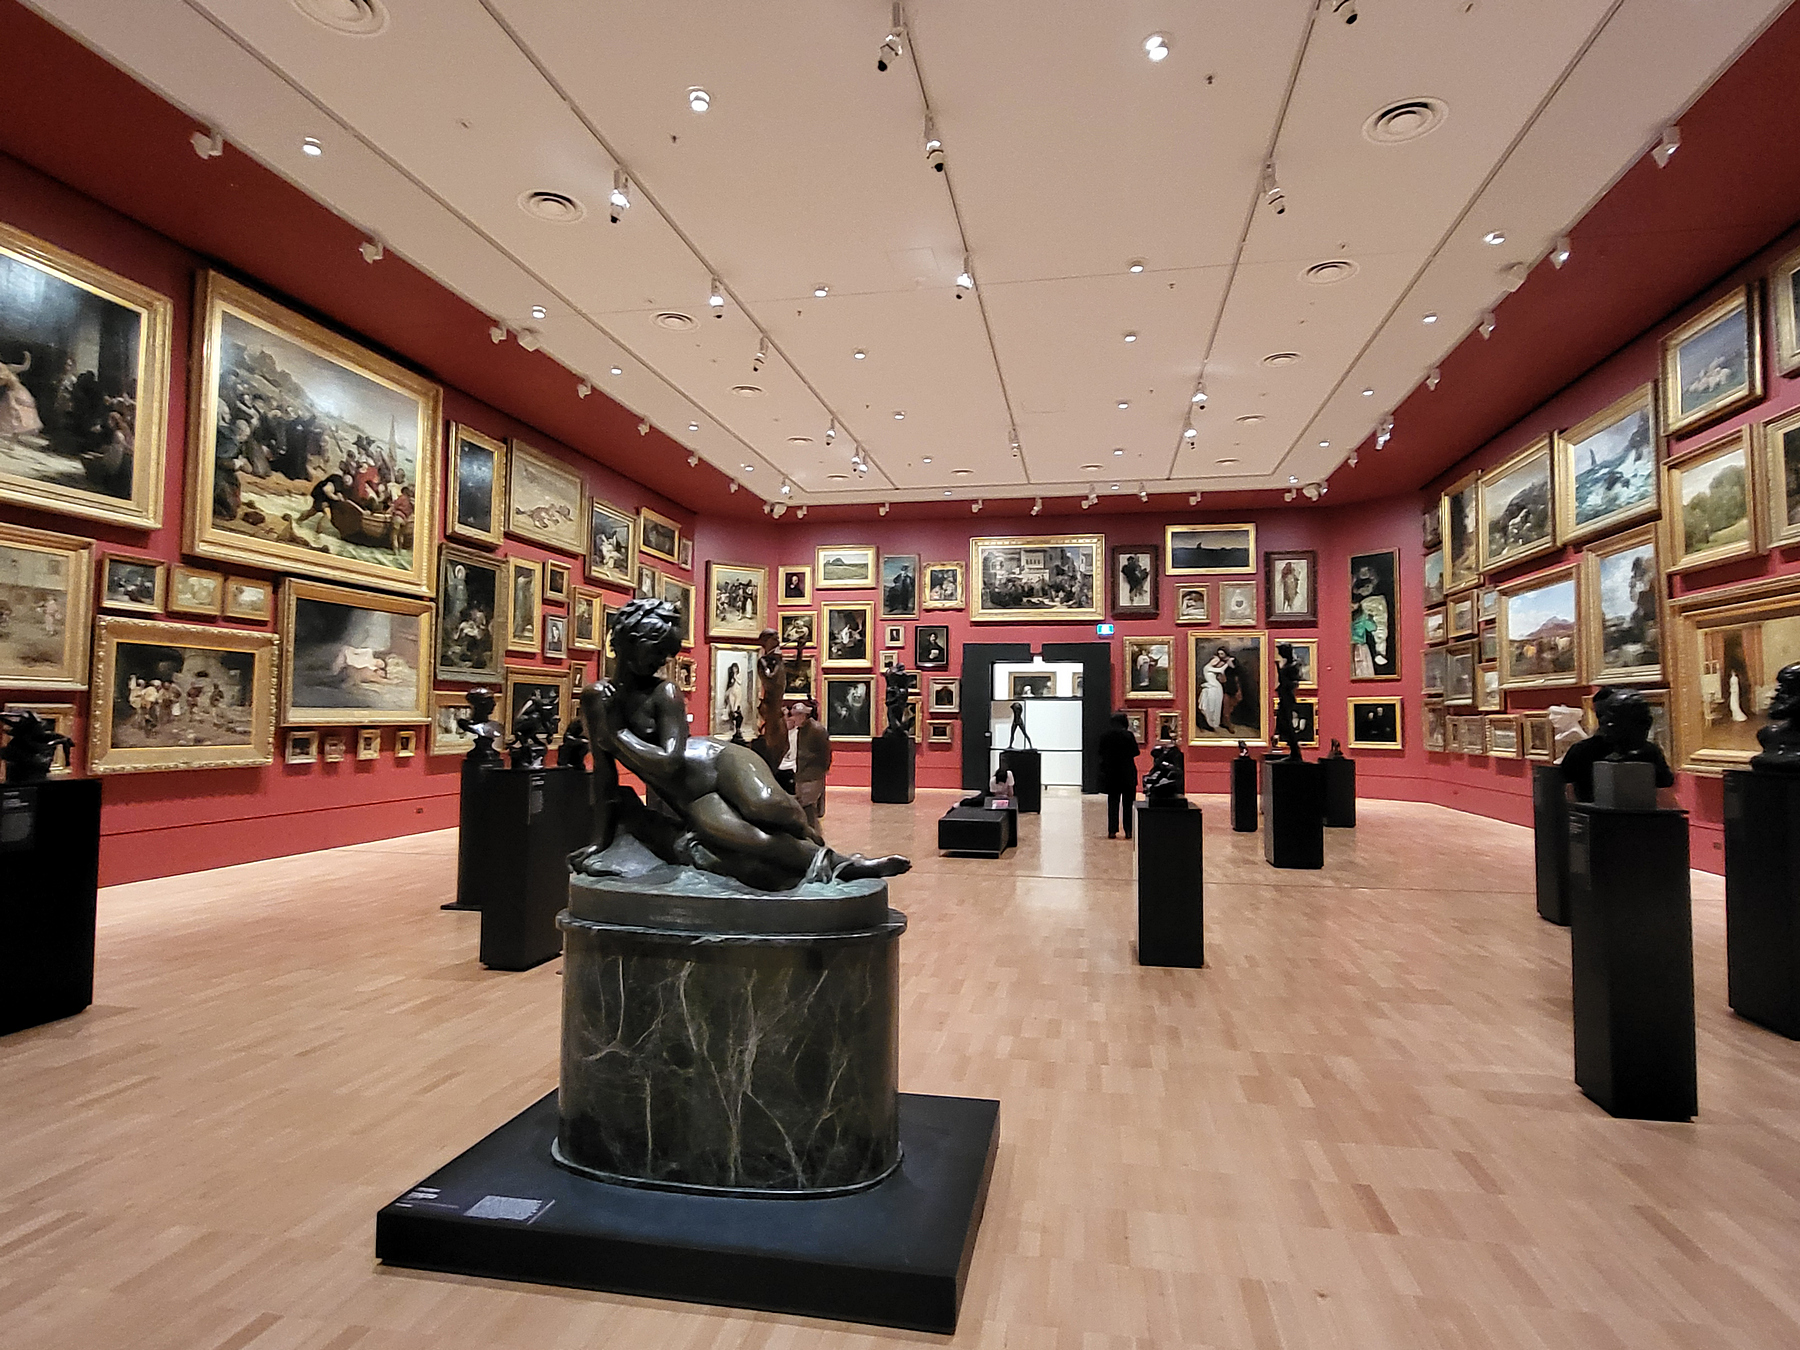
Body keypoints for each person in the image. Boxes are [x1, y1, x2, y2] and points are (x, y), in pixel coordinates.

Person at [575, 598, 906, 890]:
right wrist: (598, 844)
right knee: (753, 840)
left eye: (666, 653)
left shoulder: (665, 692)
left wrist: (616, 734)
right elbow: (605, 776)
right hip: (691, 796)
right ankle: (845, 864)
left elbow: (669, 761)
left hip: (720, 762)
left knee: (769, 806)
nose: (661, 661)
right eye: (656, 650)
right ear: (630, 641)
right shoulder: (595, 698)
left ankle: (811, 838)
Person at [1098, 712, 1141, 839]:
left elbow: (1100, 752)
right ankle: (1128, 830)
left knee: (1113, 803)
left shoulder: (1105, 736)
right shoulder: (1128, 735)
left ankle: (1112, 830)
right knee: (1128, 804)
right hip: (1127, 773)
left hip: (1111, 773)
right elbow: (1136, 752)